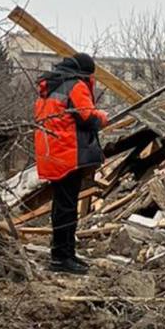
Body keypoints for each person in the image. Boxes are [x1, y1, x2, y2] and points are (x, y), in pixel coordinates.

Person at [34, 53, 108, 274]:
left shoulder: (50, 86)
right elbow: (88, 118)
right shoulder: (75, 85)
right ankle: (62, 258)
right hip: (67, 154)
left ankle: (65, 253)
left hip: (51, 153)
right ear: (86, 72)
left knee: (61, 205)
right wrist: (103, 117)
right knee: (67, 208)